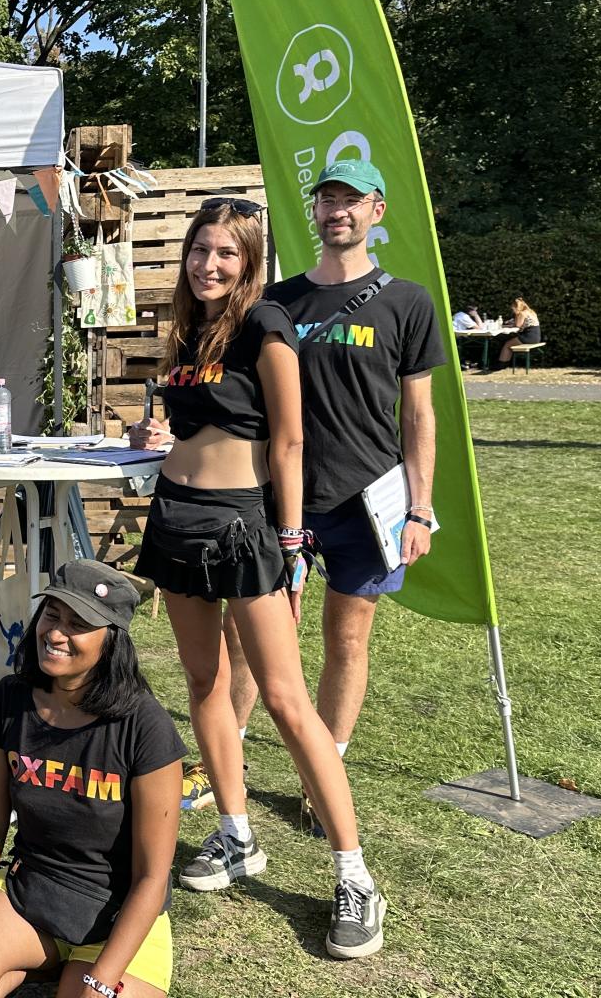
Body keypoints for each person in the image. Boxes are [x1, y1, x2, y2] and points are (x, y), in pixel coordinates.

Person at [129, 197, 386, 959]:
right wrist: (158, 432)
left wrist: (293, 542)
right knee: (203, 683)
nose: (208, 264)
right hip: (175, 518)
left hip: (244, 527)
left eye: (226, 254)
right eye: (199, 250)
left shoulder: (266, 326)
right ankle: (236, 834)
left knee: (283, 698)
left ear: (249, 262)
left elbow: (290, 441)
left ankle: (354, 873)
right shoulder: (186, 329)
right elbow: (196, 424)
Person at [0, 560, 182, 998]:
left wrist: (102, 978)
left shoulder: (146, 727)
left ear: (111, 641)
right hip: (30, 892)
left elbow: (152, 876)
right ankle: (37, 969)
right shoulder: (10, 700)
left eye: (78, 625)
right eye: (52, 614)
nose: (55, 634)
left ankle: (63, 977)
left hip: (117, 912)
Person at [495, 296, 541, 367]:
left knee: (507, 344)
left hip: (529, 337)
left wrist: (505, 326)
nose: (513, 310)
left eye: (513, 308)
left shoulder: (522, 313)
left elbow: (518, 326)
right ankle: (504, 364)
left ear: (518, 308)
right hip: (536, 337)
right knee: (509, 343)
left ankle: (501, 365)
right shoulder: (531, 312)